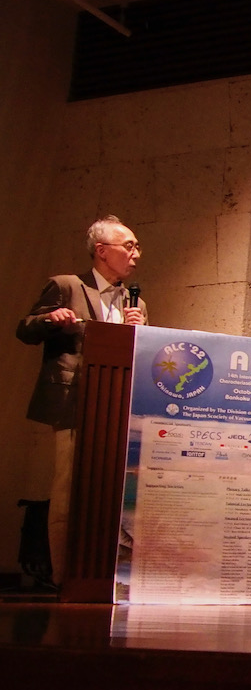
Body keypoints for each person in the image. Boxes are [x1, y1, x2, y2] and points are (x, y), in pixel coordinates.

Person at [16, 215, 147, 588]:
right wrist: (50, 319)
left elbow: (139, 355)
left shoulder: (135, 301)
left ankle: (101, 573)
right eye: (129, 246)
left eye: (137, 247)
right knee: (68, 488)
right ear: (102, 251)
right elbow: (25, 328)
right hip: (74, 400)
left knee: (109, 489)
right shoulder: (67, 285)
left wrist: (141, 333)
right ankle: (63, 576)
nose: (137, 254)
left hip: (117, 404)